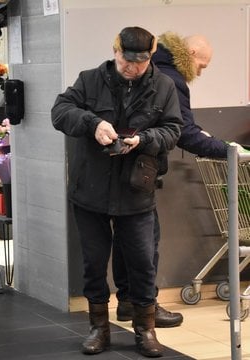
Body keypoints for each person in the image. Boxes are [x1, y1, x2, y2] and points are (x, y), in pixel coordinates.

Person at [51, 27, 183, 357]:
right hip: (90, 191)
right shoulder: (89, 80)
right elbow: (60, 111)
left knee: (142, 262)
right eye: (126, 59)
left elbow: (173, 130)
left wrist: (146, 140)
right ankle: (99, 328)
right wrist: (92, 124)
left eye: (140, 61)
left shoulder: (164, 86)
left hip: (136, 192)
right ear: (115, 51)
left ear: (151, 57)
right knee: (94, 263)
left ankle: (145, 329)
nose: (131, 67)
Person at [113, 32, 242, 328]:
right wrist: (229, 149)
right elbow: (184, 132)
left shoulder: (145, 70)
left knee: (125, 239)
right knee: (146, 241)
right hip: (140, 168)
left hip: (115, 165)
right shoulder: (171, 79)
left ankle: (128, 303)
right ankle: (146, 306)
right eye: (203, 65)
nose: (201, 72)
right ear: (192, 53)